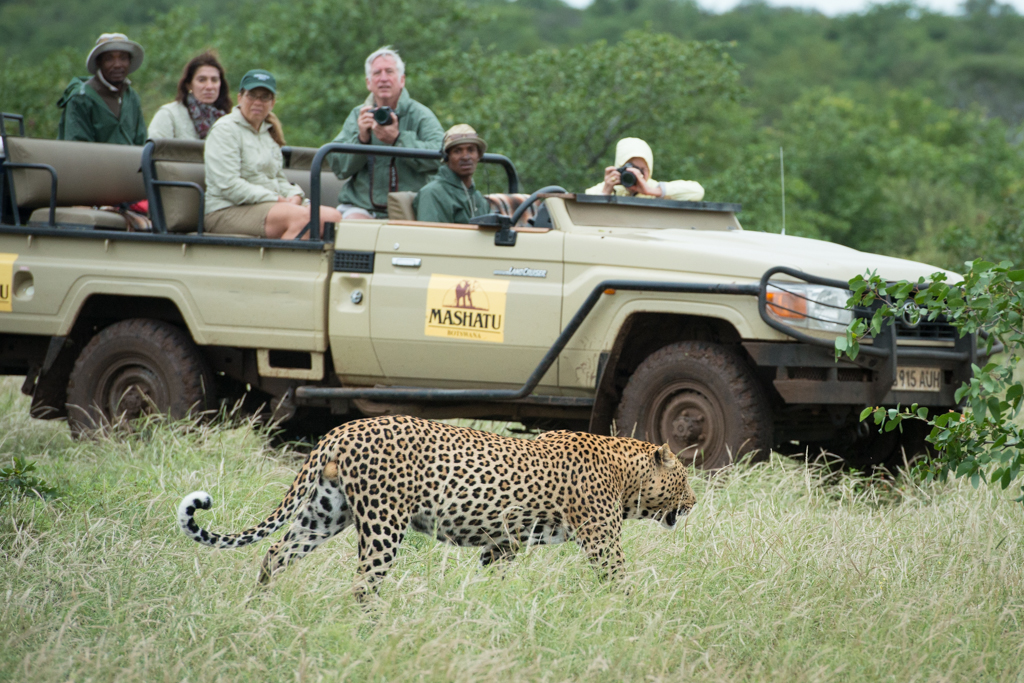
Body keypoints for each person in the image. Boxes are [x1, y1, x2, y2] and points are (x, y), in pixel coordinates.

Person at [203, 70, 342, 239]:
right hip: (226, 209)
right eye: (252, 95)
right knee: (303, 218)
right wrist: (277, 200)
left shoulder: (268, 132)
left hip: (268, 205)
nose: (257, 102)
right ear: (240, 98)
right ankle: (286, 264)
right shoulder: (225, 130)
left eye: (264, 97)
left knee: (333, 217)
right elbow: (228, 185)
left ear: (273, 103)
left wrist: (294, 196)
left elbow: (277, 178)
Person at [329, 46, 445, 219]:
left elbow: (442, 155)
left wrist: (398, 140)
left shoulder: (420, 114)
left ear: (402, 80)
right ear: (368, 82)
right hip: (362, 207)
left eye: (389, 72)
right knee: (352, 227)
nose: (383, 78)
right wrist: (361, 139)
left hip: (410, 208)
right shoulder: (358, 115)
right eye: (377, 73)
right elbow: (338, 167)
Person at [57, 33, 147, 145]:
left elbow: (141, 143)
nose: (117, 65)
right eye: (109, 59)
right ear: (99, 63)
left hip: (130, 162)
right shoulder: (81, 98)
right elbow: (77, 149)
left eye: (123, 58)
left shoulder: (131, 96)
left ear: (129, 62)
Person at [585, 138, 704, 201]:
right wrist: (605, 193)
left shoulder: (653, 188)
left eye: (642, 169)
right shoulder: (605, 189)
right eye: (630, 168)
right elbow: (584, 214)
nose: (636, 174)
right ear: (619, 167)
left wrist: (651, 191)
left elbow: (697, 192)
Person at [414, 125, 490, 224]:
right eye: (457, 151)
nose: (465, 157)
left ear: (478, 156)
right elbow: (431, 237)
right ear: (446, 157)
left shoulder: (478, 198)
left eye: (471, 150)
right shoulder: (432, 194)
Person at [148, 51, 231, 140]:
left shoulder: (229, 119)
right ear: (189, 85)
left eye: (214, 80)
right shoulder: (169, 115)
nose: (209, 86)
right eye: (202, 80)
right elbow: (157, 152)